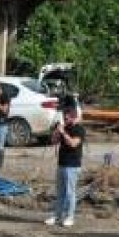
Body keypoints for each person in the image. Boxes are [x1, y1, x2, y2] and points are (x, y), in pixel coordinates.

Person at [46, 97, 86, 228]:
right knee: (60, 192)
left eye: (67, 116)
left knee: (70, 192)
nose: (64, 118)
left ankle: (70, 216)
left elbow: (73, 143)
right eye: (64, 116)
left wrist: (64, 133)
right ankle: (57, 216)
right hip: (61, 163)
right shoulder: (64, 128)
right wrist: (57, 132)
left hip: (72, 166)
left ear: (72, 116)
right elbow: (53, 141)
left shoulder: (79, 129)